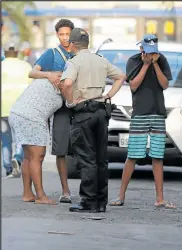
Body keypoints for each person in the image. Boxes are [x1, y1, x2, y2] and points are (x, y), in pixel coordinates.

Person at [60, 28, 125, 213]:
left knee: (87, 159)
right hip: (100, 111)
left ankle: (88, 202)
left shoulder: (73, 62)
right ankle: (100, 202)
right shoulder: (101, 60)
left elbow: (67, 83)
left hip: (83, 113)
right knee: (101, 159)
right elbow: (121, 76)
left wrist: (70, 101)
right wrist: (108, 95)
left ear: (72, 44)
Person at [109, 34, 175, 209]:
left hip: (158, 113)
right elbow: (133, 85)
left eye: (153, 51)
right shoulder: (133, 61)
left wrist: (155, 64)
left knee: (157, 156)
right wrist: (146, 65)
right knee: (133, 155)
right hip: (140, 113)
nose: (150, 54)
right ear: (141, 49)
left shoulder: (162, 60)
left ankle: (160, 198)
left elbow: (165, 84)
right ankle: (121, 196)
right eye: (147, 51)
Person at [28, 19, 74, 203]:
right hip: (60, 107)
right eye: (61, 34)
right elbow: (33, 72)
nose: (64, 38)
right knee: (61, 149)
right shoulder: (52, 54)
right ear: (57, 35)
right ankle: (65, 191)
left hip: (78, 104)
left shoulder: (80, 53)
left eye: (67, 34)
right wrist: (48, 74)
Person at [1, 43, 32, 178]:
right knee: (20, 137)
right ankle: (18, 158)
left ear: (5, 52)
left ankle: (8, 168)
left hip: (3, 109)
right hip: (21, 108)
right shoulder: (25, 66)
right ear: (17, 52)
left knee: (6, 140)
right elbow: (33, 88)